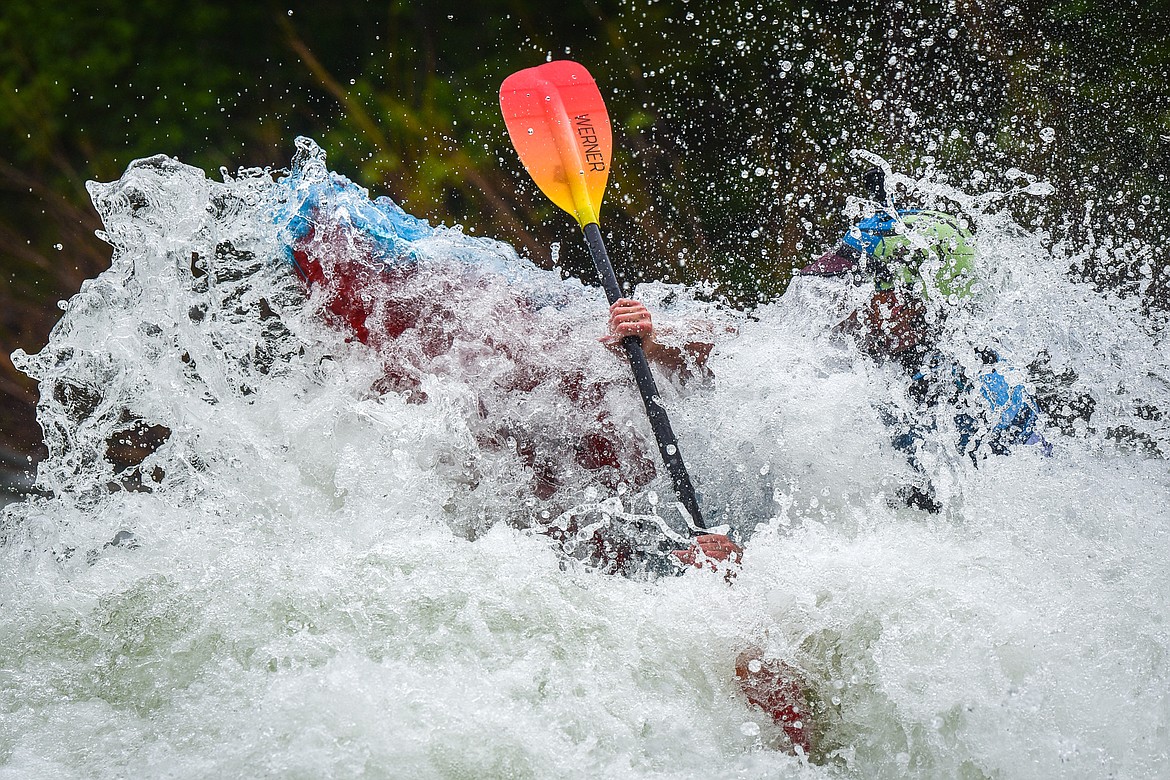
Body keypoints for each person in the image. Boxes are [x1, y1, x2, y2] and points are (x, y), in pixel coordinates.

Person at [798, 170, 1050, 511]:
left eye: (856, 291)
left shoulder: (976, 393)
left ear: (915, 300)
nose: (843, 313)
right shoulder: (883, 365)